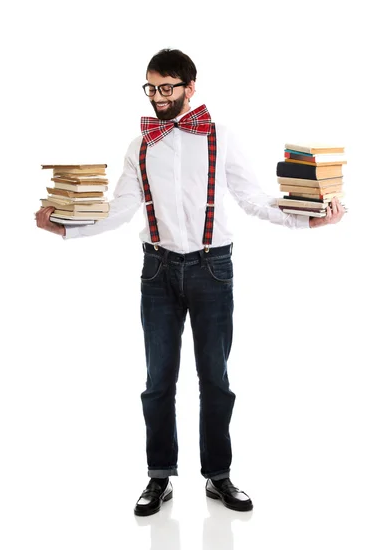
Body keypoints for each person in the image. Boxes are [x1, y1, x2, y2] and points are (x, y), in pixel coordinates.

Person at [35, 48, 345, 516]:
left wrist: (308, 223)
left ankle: (218, 477)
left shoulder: (220, 136)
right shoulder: (140, 144)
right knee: (157, 381)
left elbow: (252, 198)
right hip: (156, 268)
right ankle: (159, 478)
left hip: (212, 268)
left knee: (215, 381)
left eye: (167, 88)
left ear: (189, 87)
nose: (158, 97)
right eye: (151, 88)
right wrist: (64, 227)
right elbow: (120, 209)